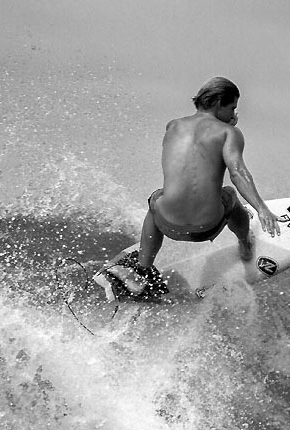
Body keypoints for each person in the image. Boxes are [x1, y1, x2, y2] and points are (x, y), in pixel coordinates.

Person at [116, 77, 280, 296]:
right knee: (229, 194)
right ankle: (245, 244)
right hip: (205, 227)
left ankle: (142, 271)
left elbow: (191, 162)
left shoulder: (173, 126)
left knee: (156, 198)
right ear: (219, 103)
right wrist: (261, 208)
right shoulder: (228, 133)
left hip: (167, 224)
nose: (233, 114)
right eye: (232, 107)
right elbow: (237, 172)